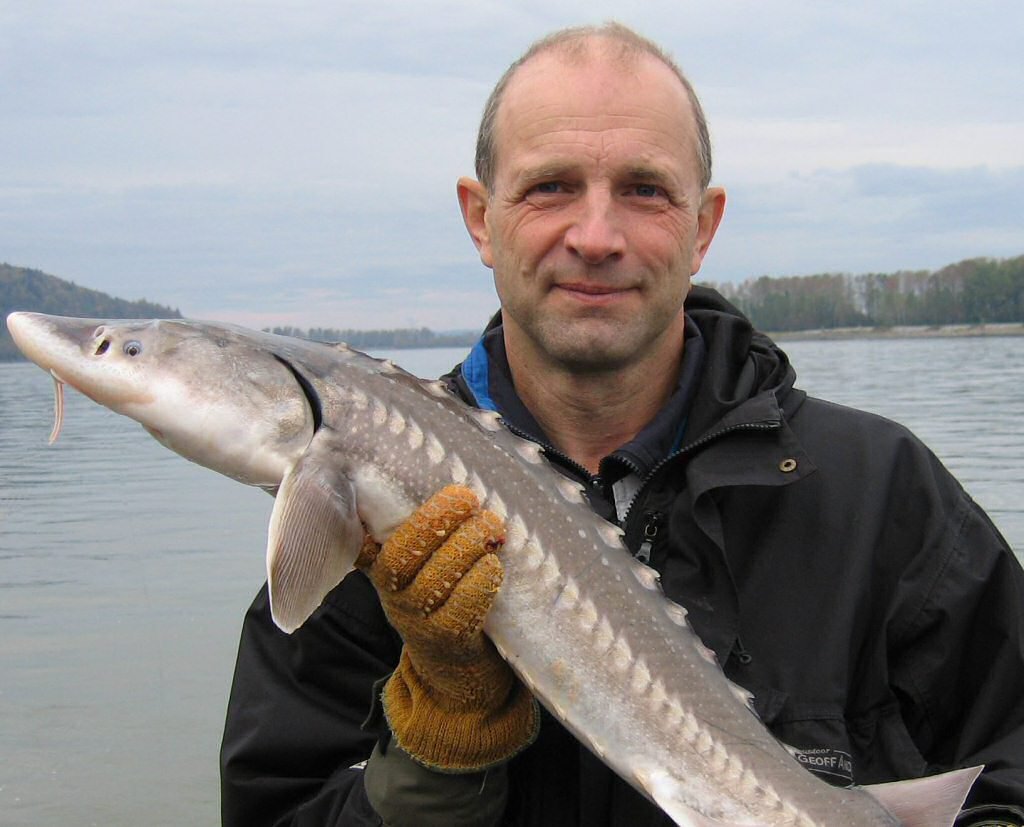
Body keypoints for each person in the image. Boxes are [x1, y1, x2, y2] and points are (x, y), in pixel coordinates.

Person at [220, 22, 1024, 827]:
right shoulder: (357, 532)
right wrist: (437, 754)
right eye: (550, 187)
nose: (596, 237)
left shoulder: (881, 493)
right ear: (480, 218)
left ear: (703, 226)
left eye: (644, 189)